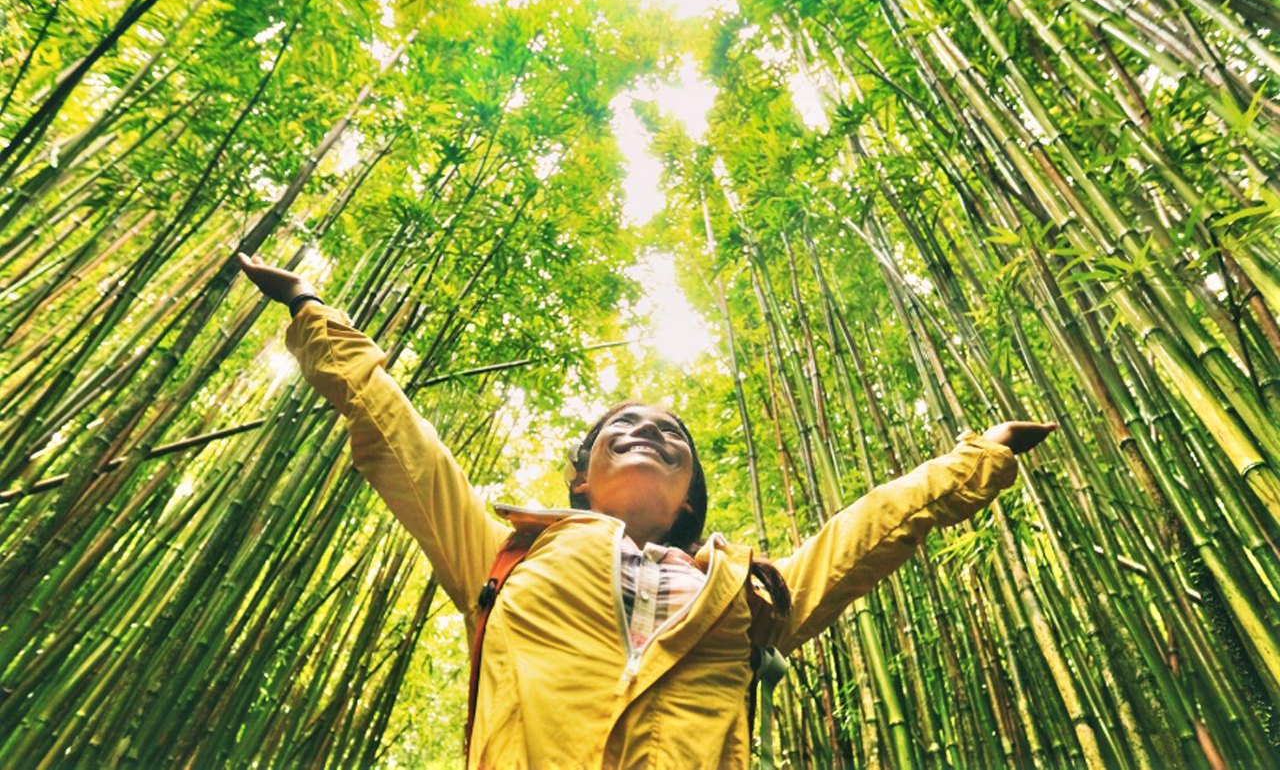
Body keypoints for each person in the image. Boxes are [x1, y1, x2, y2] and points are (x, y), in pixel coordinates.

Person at [237, 252, 1056, 768]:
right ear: (580, 479)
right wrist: (313, 312)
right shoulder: (500, 551)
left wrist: (979, 457)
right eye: (619, 427)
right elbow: (396, 434)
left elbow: (868, 528)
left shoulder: (753, 592)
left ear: (691, 493)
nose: (646, 431)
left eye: (670, 432)